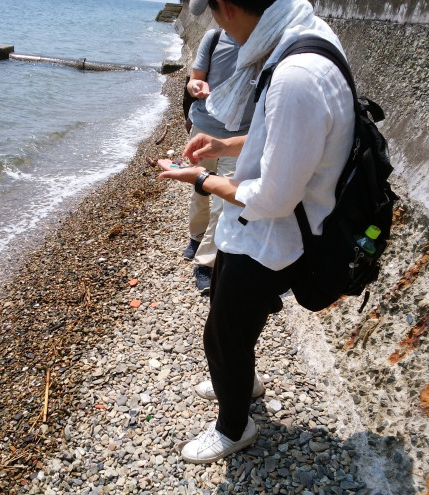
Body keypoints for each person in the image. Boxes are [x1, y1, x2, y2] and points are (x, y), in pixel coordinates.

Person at [157, 0, 355, 464]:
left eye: (213, 14)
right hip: (275, 224)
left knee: (221, 335)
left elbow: (272, 199)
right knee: (239, 320)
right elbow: (285, 133)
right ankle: (243, 382)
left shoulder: (294, 75)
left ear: (226, 6)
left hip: (275, 234)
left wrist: (202, 179)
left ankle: (233, 427)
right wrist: (226, 145)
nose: (217, 26)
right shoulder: (306, 30)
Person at [183, 28, 255, 295]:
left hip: (238, 139)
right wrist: (195, 87)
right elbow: (194, 79)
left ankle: (205, 263)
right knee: (198, 189)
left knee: (223, 204)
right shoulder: (213, 38)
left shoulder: (265, 41)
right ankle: (196, 236)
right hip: (202, 129)